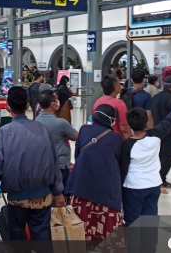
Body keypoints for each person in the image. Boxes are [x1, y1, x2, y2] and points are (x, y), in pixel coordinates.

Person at [0, 87, 65, 242]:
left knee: (17, 240)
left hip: (17, 198)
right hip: (43, 196)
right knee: (42, 239)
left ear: (7, 107)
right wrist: (58, 191)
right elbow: (54, 162)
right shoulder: (42, 129)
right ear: (28, 105)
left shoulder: (4, 132)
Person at [120, 100, 171, 253]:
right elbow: (169, 119)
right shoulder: (156, 135)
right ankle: (149, 248)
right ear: (147, 122)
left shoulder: (127, 145)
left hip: (133, 187)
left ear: (129, 124)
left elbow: (123, 170)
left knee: (133, 221)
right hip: (153, 185)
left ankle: (133, 249)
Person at [66, 104, 123, 250]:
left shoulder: (84, 130)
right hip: (105, 192)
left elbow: (78, 154)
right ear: (112, 120)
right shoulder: (116, 138)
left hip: (80, 187)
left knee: (80, 230)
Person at [35, 89, 78, 194]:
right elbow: (76, 136)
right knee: (61, 197)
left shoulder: (36, 121)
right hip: (60, 166)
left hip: (42, 165)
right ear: (53, 104)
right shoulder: (61, 123)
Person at [150, 76, 171, 188]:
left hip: (157, 130)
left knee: (158, 156)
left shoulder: (156, 97)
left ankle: (156, 177)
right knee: (167, 157)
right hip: (170, 132)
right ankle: (160, 179)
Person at [92, 75, 132, 139]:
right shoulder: (119, 104)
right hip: (116, 140)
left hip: (100, 139)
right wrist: (131, 143)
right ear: (115, 87)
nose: (120, 86)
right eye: (119, 84)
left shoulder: (97, 102)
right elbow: (124, 129)